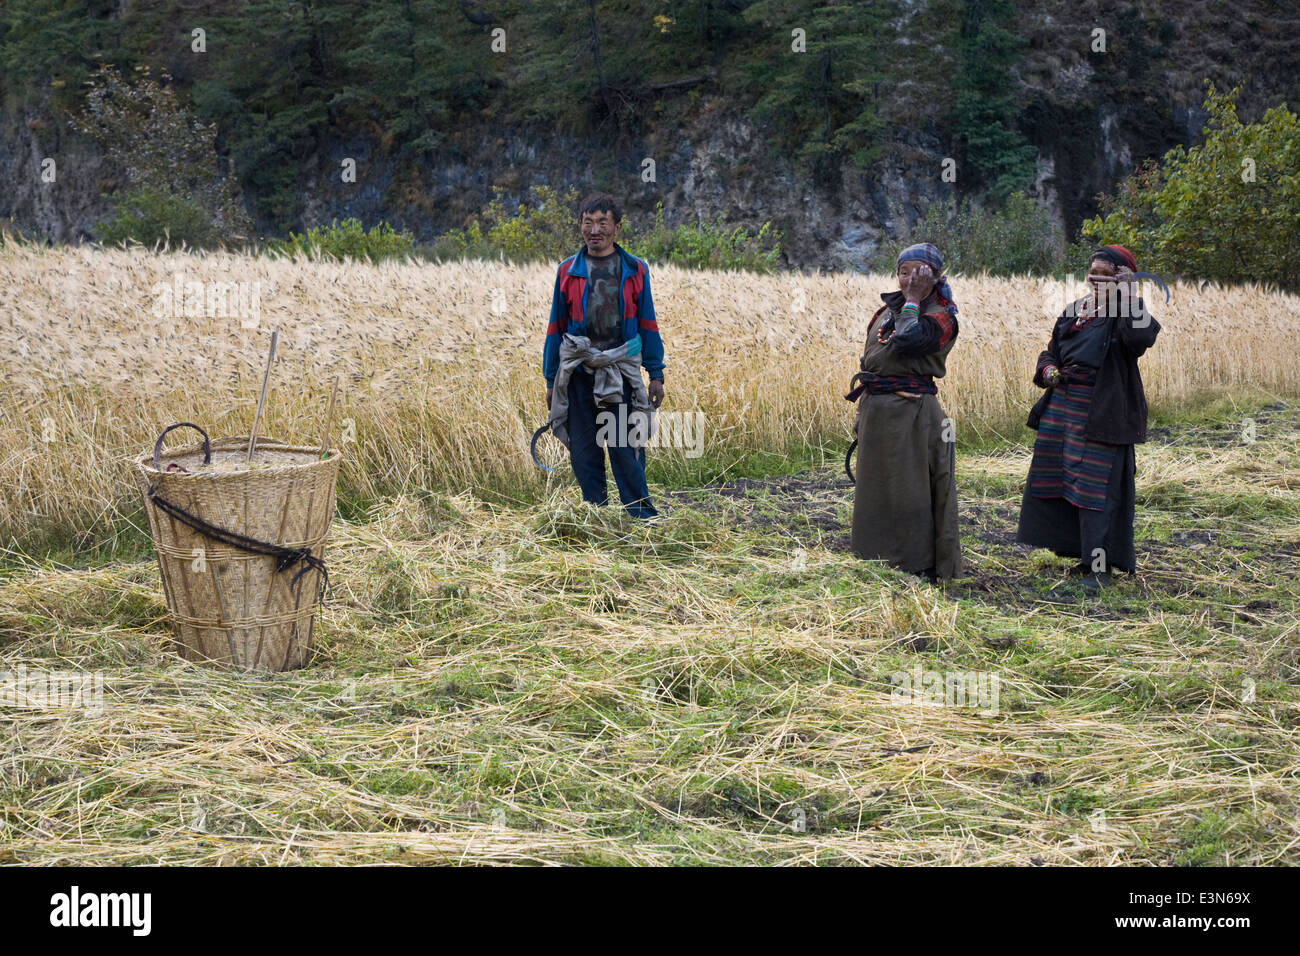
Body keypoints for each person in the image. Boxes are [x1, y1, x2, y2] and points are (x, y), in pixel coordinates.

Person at [1016, 244, 1161, 592]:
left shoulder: (1127, 312)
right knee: (1064, 482)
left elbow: (1142, 338)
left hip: (1102, 411)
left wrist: (1129, 294)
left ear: (1122, 277)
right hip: (1063, 408)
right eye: (1092, 272)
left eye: (1106, 274)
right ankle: (1083, 558)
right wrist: (1048, 369)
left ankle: (1101, 569)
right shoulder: (1075, 310)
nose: (1096, 279)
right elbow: (1050, 350)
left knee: (1094, 489)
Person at [543, 192, 665, 519]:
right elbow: (556, 325)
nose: (595, 229)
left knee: (625, 447)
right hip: (580, 371)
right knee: (584, 449)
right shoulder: (567, 271)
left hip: (620, 370)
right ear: (580, 226)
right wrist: (551, 380)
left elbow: (647, 323)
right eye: (588, 222)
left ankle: (640, 516)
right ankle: (595, 516)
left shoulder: (635, 269)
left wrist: (656, 374)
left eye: (602, 222)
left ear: (617, 228)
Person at [849, 242, 961, 581]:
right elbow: (872, 358)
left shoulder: (941, 317)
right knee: (876, 489)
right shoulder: (885, 311)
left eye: (918, 273)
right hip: (878, 412)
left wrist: (914, 299)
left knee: (910, 491)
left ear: (934, 277)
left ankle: (916, 564)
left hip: (912, 416)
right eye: (903, 272)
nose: (909, 279)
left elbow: (907, 340)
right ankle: (876, 558)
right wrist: (862, 412)